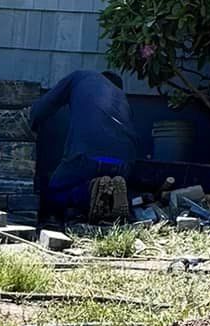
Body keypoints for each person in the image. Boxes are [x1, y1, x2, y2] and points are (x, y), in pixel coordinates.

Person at [27, 68, 139, 220]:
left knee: (51, 193)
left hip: (87, 157)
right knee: (104, 180)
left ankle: (89, 192)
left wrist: (27, 124)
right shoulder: (122, 98)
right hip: (124, 164)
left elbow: (43, 107)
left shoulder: (80, 77)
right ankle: (111, 196)